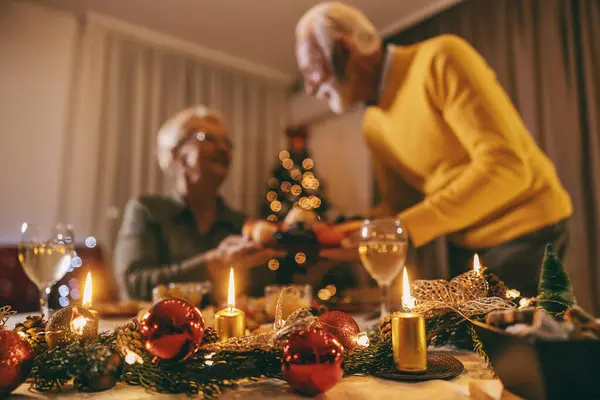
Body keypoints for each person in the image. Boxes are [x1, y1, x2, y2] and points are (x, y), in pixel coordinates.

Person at [296, 2, 573, 296]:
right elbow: (400, 206)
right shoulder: (372, 124)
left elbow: (508, 167)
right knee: (467, 338)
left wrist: (402, 228)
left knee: (511, 339)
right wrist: (352, 231)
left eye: (311, 69)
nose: (310, 88)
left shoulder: (440, 58)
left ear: (345, 49)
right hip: (464, 240)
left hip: (526, 230)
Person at [114, 106, 281, 301]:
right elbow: (136, 284)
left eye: (227, 142)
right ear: (176, 154)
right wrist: (214, 263)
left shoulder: (240, 224)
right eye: (207, 138)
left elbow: (261, 292)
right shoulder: (147, 210)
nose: (223, 149)